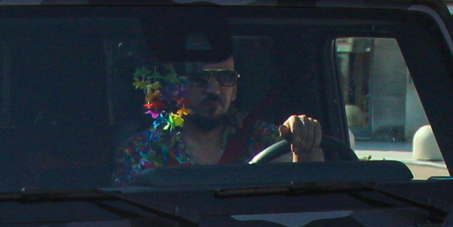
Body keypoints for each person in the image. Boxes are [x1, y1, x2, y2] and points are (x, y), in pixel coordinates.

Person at [116, 54, 320, 179]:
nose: (214, 88)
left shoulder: (263, 138)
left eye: (225, 77)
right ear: (177, 87)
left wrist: (303, 140)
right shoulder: (142, 150)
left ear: (235, 90)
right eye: (199, 77)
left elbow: (309, 192)